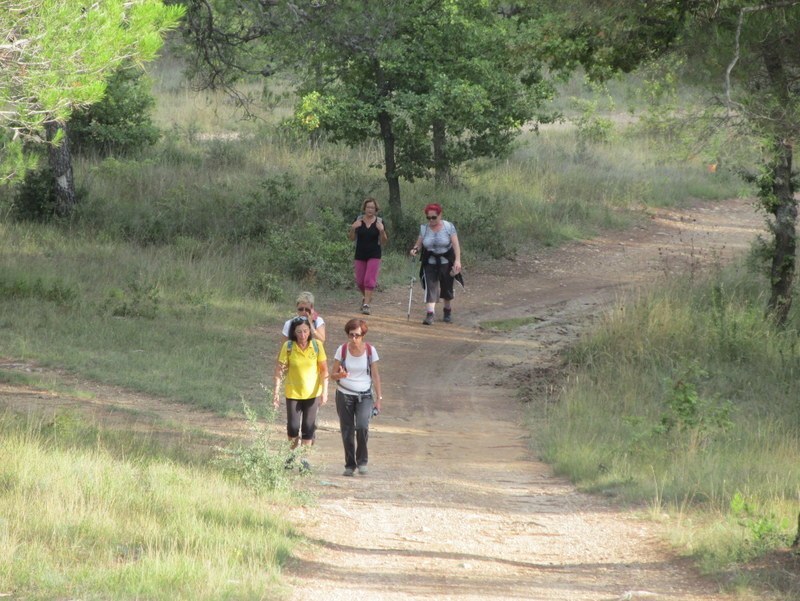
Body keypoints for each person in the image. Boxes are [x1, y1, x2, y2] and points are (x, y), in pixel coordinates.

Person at [273, 315, 329, 472]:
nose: (303, 335)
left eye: (305, 331)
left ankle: (304, 460)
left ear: (310, 331)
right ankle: (291, 454)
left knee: (308, 427)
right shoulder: (288, 347)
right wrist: (276, 392)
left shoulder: (317, 346)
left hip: (312, 394)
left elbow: (324, 370)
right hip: (293, 393)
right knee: (292, 427)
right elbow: (279, 369)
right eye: (299, 332)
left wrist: (325, 392)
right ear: (294, 332)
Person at [330, 318, 383, 477]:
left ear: (363, 335)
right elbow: (332, 375)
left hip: (365, 395)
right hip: (344, 394)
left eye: (357, 335)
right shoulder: (342, 350)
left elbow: (375, 375)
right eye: (351, 335)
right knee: (347, 430)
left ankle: (362, 461)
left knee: (361, 426)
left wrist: (379, 399)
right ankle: (350, 464)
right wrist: (340, 375)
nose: (353, 339)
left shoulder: (370, 351)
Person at [409, 203, 463, 325]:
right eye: (428, 218)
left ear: (440, 215)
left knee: (447, 287)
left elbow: (456, 245)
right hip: (430, 262)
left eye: (434, 217)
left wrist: (457, 260)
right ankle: (430, 314)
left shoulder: (449, 227)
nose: (431, 220)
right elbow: (419, 243)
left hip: (446, 261)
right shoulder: (424, 228)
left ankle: (447, 311)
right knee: (430, 287)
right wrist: (415, 250)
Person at [348, 197, 388, 315]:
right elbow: (351, 238)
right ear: (364, 208)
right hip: (360, 254)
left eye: (372, 207)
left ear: (376, 209)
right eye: (368, 207)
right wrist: (352, 228)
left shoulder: (380, 222)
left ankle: (366, 305)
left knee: (369, 280)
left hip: (374, 254)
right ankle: (367, 297)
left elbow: (384, 241)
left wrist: (381, 231)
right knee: (360, 281)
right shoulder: (358, 220)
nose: (370, 209)